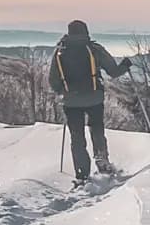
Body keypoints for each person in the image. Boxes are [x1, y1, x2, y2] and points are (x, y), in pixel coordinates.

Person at [49, 20, 131, 184]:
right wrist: (125, 65)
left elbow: (53, 80)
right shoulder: (94, 49)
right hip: (94, 98)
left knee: (77, 137)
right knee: (97, 130)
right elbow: (113, 72)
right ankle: (102, 163)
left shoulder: (60, 52)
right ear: (86, 32)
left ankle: (82, 174)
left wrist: (63, 93)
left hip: (71, 102)